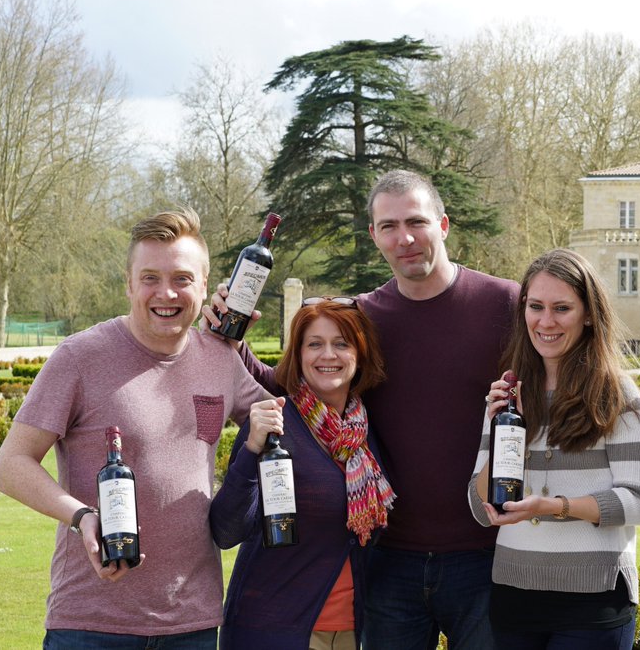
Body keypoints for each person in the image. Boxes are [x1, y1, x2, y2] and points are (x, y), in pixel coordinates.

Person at [203, 170, 518, 649]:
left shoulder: (505, 304)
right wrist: (228, 333)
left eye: (416, 221)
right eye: (388, 226)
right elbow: (292, 386)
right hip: (387, 561)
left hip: (484, 556)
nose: (404, 238)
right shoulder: (363, 318)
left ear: (444, 224)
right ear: (374, 236)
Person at [0, 208, 268, 649]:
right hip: (91, 622)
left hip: (191, 624)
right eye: (150, 278)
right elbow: (9, 466)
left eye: (181, 278)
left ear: (206, 287)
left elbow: (290, 416)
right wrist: (80, 516)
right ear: (128, 284)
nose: (166, 293)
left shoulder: (220, 358)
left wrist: (245, 342)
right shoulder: (80, 357)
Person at [469, 248, 640, 649]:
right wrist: (506, 434)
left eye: (562, 308)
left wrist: (555, 507)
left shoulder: (617, 394)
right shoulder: (508, 395)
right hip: (514, 595)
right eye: (535, 306)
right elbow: (479, 506)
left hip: (594, 602)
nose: (546, 321)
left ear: (588, 314)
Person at [210, 299, 391, 649]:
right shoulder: (275, 423)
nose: (328, 355)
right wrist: (250, 451)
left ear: (360, 353)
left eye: (341, 343)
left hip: (352, 631)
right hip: (276, 629)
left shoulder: (362, 430)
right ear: (298, 354)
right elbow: (226, 530)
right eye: (314, 344)